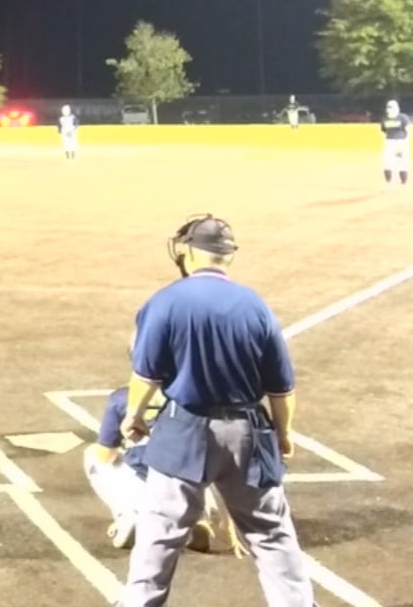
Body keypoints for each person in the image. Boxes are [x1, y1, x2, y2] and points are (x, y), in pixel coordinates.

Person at [118, 215, 310, 607]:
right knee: (271, 535)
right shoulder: (255, 306)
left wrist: (133, 415)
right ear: (228, 256)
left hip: (184, 429)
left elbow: (146, 374)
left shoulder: (166, 301)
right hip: (248, 432)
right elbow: (281, 389)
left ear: (188, 253)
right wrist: (284, 434)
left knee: (159, 535)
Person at [87, 340, 240, 556]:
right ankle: (199, 518)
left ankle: (128, 515)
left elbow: (105, 455)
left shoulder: (122, 398)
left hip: (148, 480)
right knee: (201, 457)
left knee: (94, 456)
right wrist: (227, 523)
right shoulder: (198, 397)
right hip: (190, 482)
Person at [381, 98, 412, 187]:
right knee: (387, 161)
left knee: (402, 162)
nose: (389, 109)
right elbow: (384, 130)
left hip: (401, 142)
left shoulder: (402, 117)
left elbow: (409, 129)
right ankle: (388, 181)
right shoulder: (385, 119)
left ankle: (403, 183)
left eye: (391, 107)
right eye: (388, 107)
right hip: (389, 142)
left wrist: (406, 141)